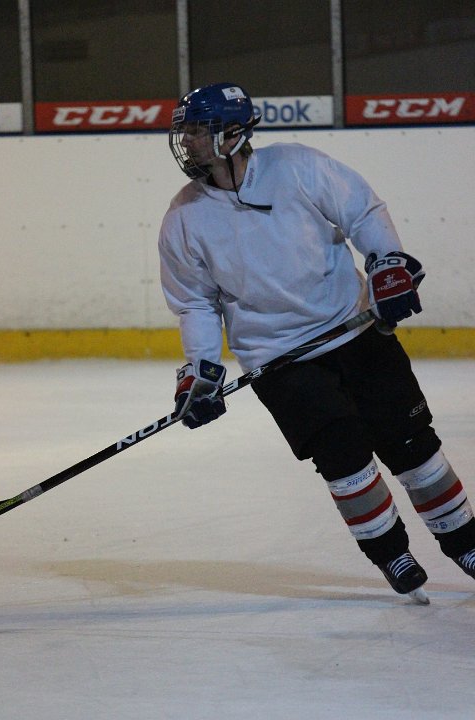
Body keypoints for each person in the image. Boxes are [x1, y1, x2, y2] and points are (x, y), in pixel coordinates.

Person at [158, 81, 475, 603]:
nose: (186, 141)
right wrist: (201, 370)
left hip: (355, 331)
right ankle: (390, 553)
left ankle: (465, 542)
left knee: (413, 446)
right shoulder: (182, 218)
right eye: (185, 131)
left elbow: (363, 211)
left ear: (233, 134)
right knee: (343, 461)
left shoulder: (297, 166)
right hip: (278, 360)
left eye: (197, 130)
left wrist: (386, 262)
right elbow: (194, 303)